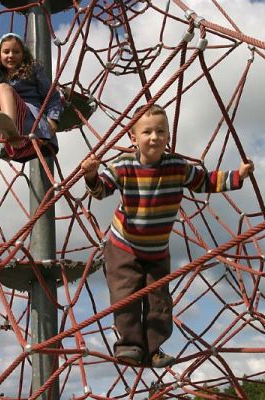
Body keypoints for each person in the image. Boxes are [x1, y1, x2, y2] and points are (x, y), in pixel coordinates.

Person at [81, 104, 254, 368]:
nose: (154, 137)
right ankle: (129, 345)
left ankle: (153, 349)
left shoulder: (177, 167)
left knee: (159, 301)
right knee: (125, 296)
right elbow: (101, 191)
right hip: (123, 245)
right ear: (133, 138)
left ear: (168, 136)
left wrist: (237, 176)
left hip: (157, 248)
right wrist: (91, 175)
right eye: (147, 132)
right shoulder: (123, 165)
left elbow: (205, 181)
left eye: (161, 131)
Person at [0, 33, 63, 161]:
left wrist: (53, 120)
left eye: (16, 52)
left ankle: (10, 130)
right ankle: (2, 143)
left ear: (23, 54)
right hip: (11, 143)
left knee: (3, 88)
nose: (11, 55)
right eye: (6, 52)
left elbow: (52, 96)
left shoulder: (32, 70)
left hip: (31, 127)